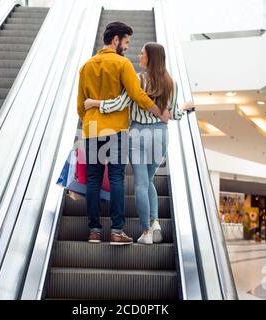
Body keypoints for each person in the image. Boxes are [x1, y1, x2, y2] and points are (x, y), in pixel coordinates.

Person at [84, 42, 195, 244]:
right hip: (160, 135)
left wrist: (95, 103)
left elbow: (119, 103)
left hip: (138, 134)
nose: (139, 56)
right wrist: (186, 107)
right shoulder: (172, 83)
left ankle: (146, 232)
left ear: (150, 58)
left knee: (141, 184)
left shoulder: (137, 80)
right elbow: (173, 114)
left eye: (142, 54)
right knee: (149, 181)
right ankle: (155, 222)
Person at [77, 22, 170, 245]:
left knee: (93, 180)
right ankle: (117, 231)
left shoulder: (86, 66)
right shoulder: (122, 64)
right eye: (126, 42)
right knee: (117, 178)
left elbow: (80, 105)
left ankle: (94, 231)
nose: (127, 47)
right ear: (116, 40)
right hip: (116, 130)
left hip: (91, 129)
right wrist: (158, 111)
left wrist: (89, 120)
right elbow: (137, 94)